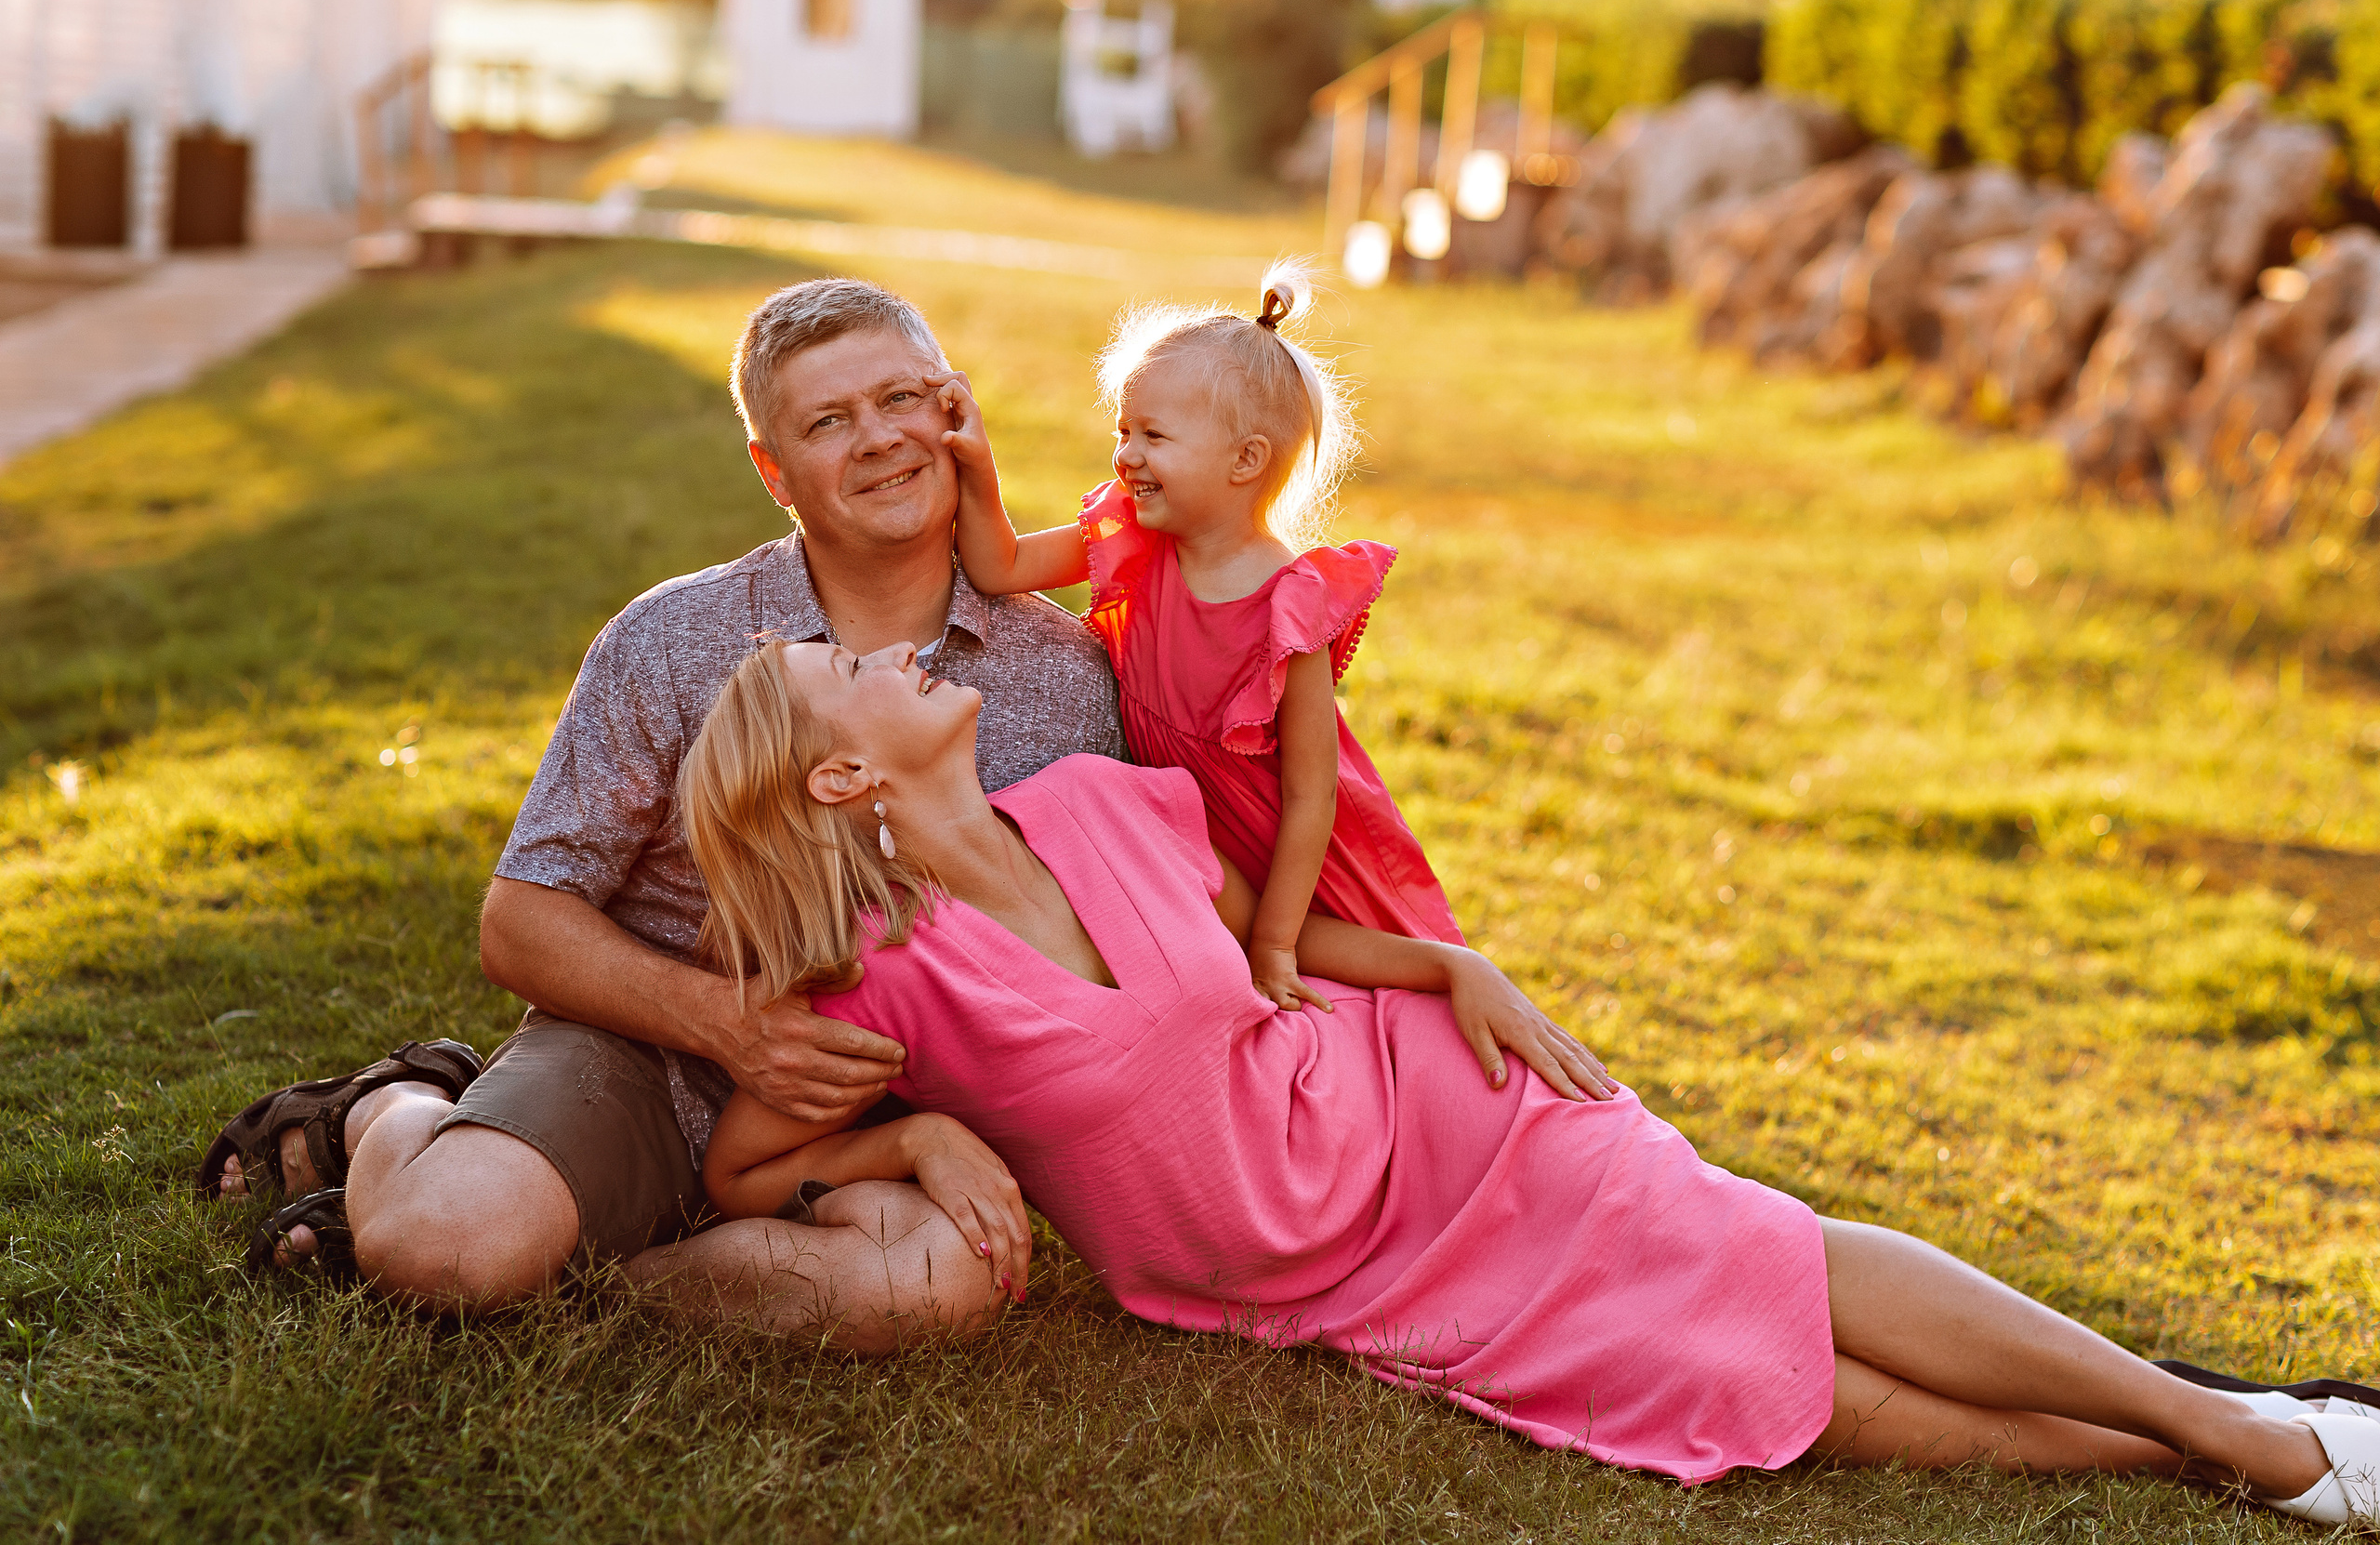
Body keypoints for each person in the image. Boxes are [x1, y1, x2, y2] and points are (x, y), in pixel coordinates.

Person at [677, 635, 2380, 1522]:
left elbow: (1278, 954)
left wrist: (1444, 965)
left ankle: (2240, 1437)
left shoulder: (1103, 805)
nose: (894, 652)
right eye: (853, 668)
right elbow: (750, 1169)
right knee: (1734, 1382)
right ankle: (2194, 1457)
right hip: (1323, 1268)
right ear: (839, 773)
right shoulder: (879, 989)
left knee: (1752, 1249)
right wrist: (905, 1128)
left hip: (1434, 1111)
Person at [196, 278, 1122, 1349]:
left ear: (955, 412)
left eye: (901, 400)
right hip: (644, 1060)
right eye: (828, 421)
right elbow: (521, 921)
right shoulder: (674, 636)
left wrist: (929, 1131)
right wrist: (729, 1025)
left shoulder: (1065, 676)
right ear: (773, 473)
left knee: (933, 1285)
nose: (877, 441)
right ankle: (388, 1108)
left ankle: (617, 1268)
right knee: (444, 1249)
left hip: (872, 1118)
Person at [947, 265, 1475, 1030]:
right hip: (1196, 838)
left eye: (1153, 436)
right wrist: (977, 464)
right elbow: (999, 566)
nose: (1125, 456)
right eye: (1122, 432)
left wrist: (1275, 942)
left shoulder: (1291, 608)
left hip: (1291, 851)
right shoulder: (1135, 537)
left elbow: (1310, 797)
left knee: (1384, 993)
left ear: (1246, 461)